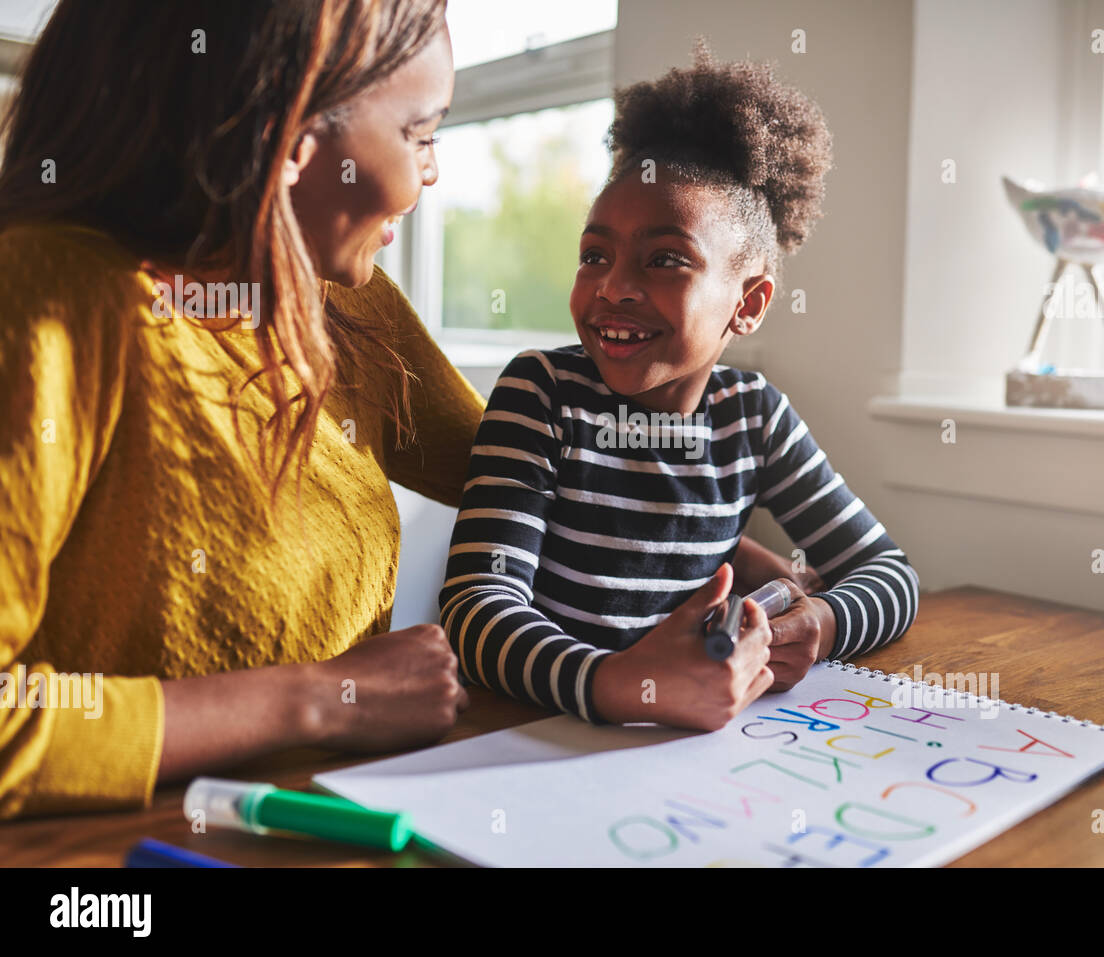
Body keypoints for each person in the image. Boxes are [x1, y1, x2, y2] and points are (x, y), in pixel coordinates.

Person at [0, 0, 478, 820]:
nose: (429, 175)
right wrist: (321, 699)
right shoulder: (44, 300)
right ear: (288, 136)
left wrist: (747, 583)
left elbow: (528, 479)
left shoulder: (340, 302)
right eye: (419, 133)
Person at [440, 47, 920, 731]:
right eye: (594, 255)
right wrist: (620, 682)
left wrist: (822, 622)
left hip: (682, 759)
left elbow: (890, 574)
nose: (613, 287)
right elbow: (478, 605)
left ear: (748, 303)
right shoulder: (543, 394)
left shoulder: (754, 418)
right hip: (540, 738)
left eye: (664, 259)